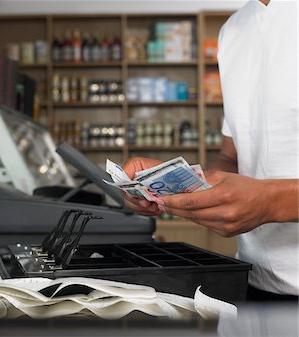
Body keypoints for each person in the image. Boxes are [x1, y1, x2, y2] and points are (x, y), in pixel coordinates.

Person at [122, 0, 299, 300]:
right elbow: (232, 157)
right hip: (254, 280)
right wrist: (179, 183)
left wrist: (271, 202)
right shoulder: (232, 31)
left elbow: (264, 194)